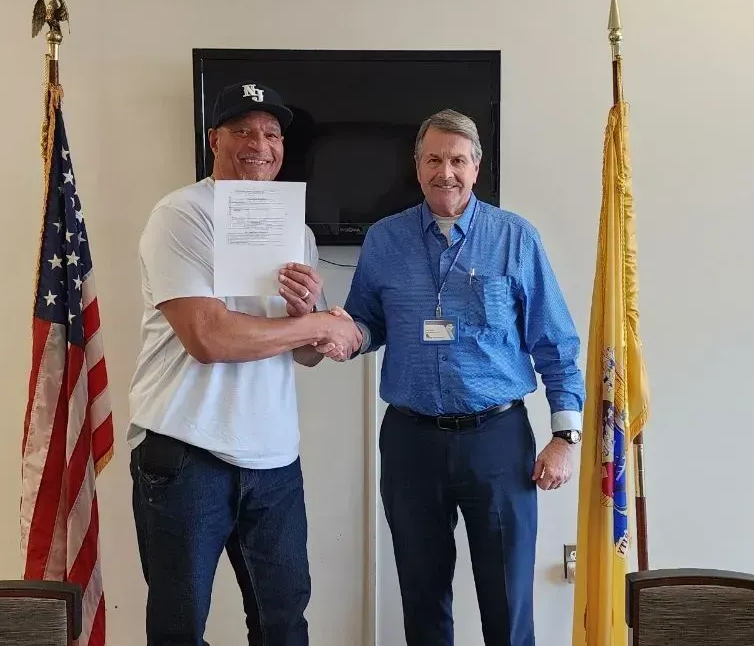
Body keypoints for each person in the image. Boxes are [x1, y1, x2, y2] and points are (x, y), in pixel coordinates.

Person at [327, 109, 585, 646]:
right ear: (417, 167)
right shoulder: (384, 240)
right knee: (421, 599)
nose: (447, 172)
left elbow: (555, 342)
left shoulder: (515, 238)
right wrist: (328, 327)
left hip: (497, 441)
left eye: (458, 160)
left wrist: (565, 437)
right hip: (410, 441)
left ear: (477, 166)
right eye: (435, 159)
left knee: (508, 601)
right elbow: (366, 326)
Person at [127, 81, 362, 646]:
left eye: (272, 133)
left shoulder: (295, 231)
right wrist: (320, 323)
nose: (260, 144)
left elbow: (304, 355)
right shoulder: (181, 214)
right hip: (186, 451)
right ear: (214, 139)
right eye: (244, 130)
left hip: (274, 459)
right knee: (179, 631)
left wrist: (309, 319)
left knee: (283, 626)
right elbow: (206, 337)